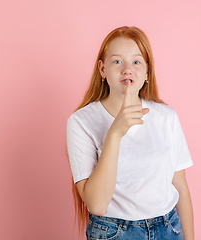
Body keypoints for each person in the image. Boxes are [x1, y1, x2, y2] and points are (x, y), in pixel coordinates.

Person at [67, 26, 194, 240]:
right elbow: (97, 204)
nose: (127, 69)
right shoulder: (81, 122)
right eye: (117, 61)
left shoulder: (166, 117)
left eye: (136, 62)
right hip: (115, 233)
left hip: (169, 229)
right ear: (102, 69)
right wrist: (115, 133)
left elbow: (180, 187)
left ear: (146, 72)